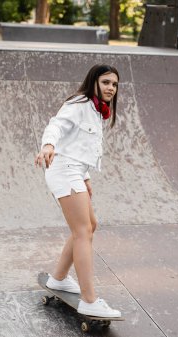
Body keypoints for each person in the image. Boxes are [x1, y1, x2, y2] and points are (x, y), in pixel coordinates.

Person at [35, 64, 121, 318]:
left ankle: (59, 279)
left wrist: (86, 177)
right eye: (106, 82)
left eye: (115, 85)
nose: (111, 88)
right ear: (94, 81)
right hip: (62, 169)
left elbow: (79, 146)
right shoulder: (80, 103)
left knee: (90, 225)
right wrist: (48, 145)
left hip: (75, 171)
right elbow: (56, 126)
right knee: (83, 231)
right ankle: (89, 300)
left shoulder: (96, 110)